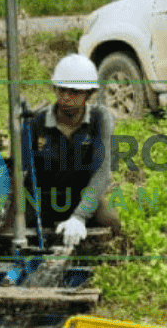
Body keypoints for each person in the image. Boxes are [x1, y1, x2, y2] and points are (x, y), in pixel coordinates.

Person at [20, 54, 121, 246]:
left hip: (80, 195)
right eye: (61, 90)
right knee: (10, 228)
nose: (66, 97)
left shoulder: (100, 119)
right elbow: (20, 170)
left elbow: (103, 172)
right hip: (43, 198)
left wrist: (80, 216)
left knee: (111, 221)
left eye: (74, 92)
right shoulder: (36, 122)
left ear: (89, 94)